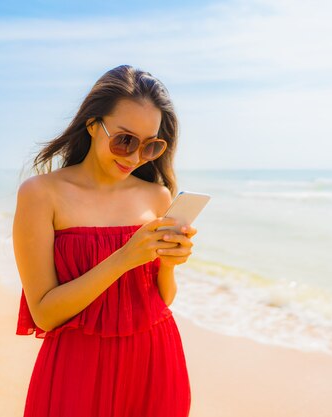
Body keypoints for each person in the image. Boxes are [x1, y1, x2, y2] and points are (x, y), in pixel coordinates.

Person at [12, 64, 196, 417]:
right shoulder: (41, 194)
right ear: (94, 125)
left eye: (149, 146)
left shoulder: (157, 196)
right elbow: (45, 314)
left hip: (156, 361)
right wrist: (125, 257)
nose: (133, 157)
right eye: (124, 140)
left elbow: (161, 300)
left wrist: (169, 266)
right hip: (77, 368)